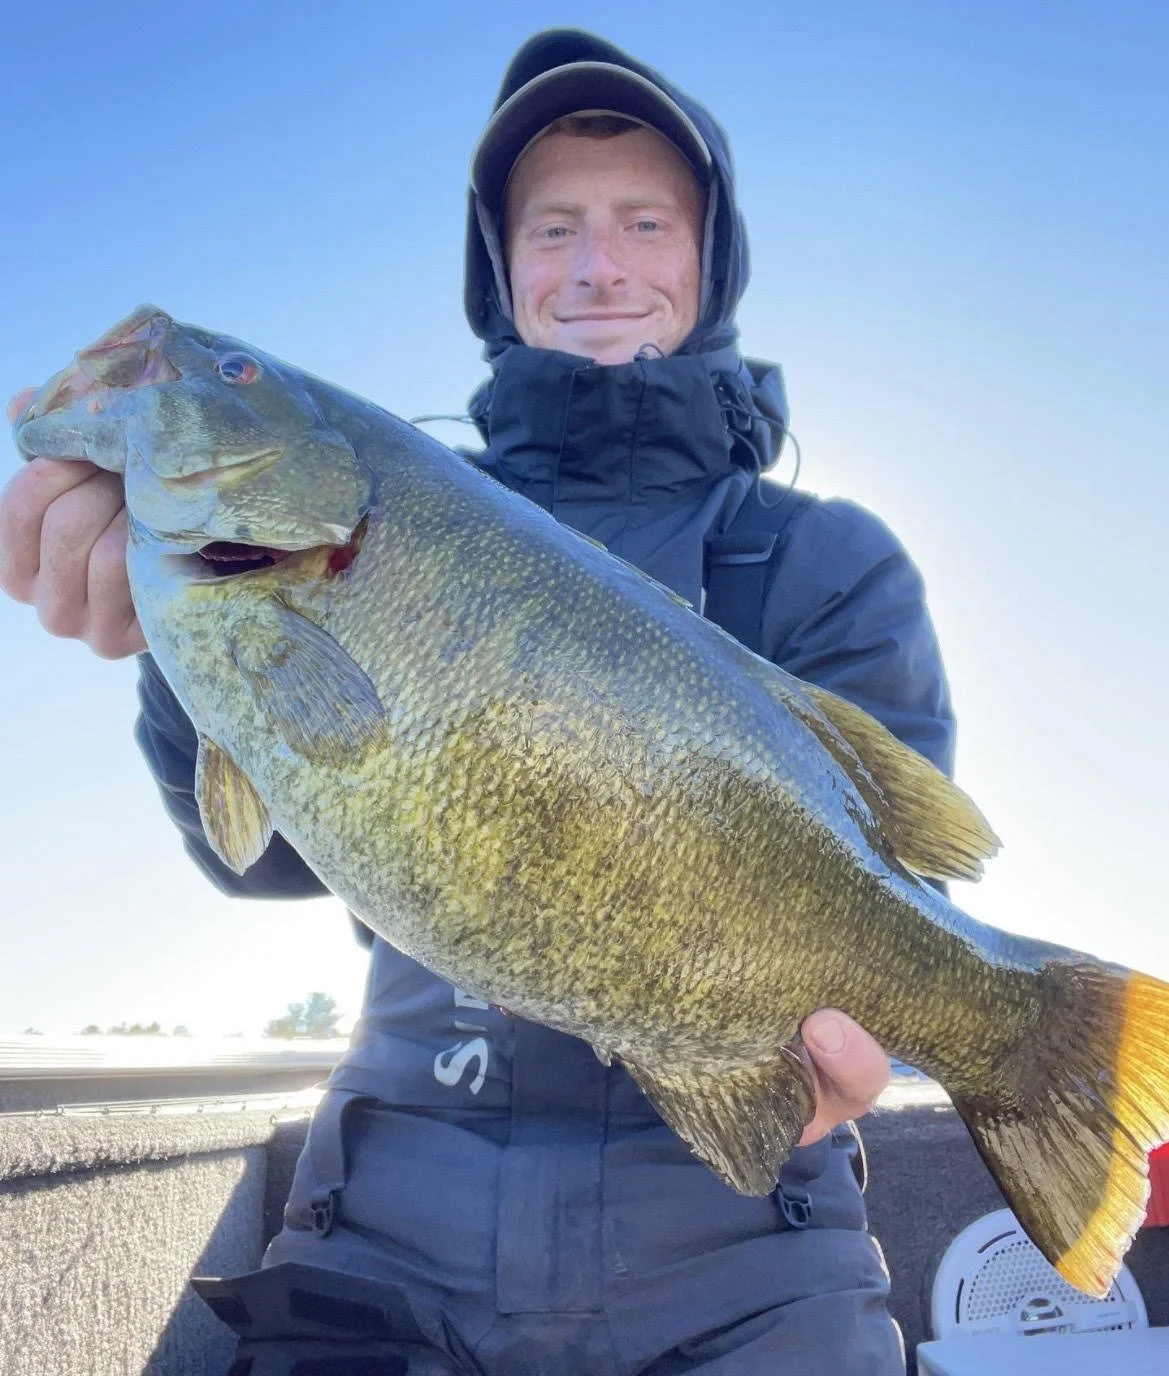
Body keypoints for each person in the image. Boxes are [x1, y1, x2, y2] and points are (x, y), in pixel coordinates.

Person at [1, 29, 955, 1376]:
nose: (597, 263)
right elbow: (262, 855)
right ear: (502, 271)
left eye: (642, 221)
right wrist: (176, 641)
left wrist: (926, 1013)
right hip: (391, 1231)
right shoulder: (371, 515)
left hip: (750, 1242)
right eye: (552, 225)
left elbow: (898, 885)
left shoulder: (827, 561)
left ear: (707, 263)